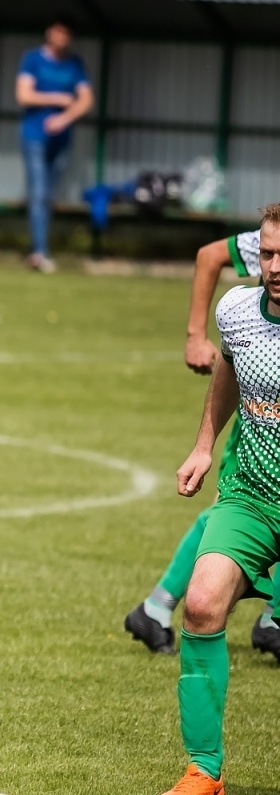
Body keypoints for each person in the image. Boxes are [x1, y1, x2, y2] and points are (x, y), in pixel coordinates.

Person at [153, 202, 280, 795]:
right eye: (269, 254)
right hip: (251, 497)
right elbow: (228, 370)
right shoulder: (236, 310)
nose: (275, 266)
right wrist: (204, 444)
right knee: (201, 605)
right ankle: (203, 773)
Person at [126, 226, 280, 659]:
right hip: (260, 412)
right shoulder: (269, 246)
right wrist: (196, 335)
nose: (274, 264)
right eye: (270, 255)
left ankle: (159, 607)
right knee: (242, 505)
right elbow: (212, 255)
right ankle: (162, 607)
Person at [14, 14, 92, 273]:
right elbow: (24, 94)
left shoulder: (74, 64)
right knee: (38, 193)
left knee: (48, 196)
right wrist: (57, 98)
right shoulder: (33, 59)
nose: (62, 37)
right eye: (59, 31)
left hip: (61, 139)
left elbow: (85, 100)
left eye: (67, 33)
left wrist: (64, 118)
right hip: (34, 135)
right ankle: (39, 252)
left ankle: (40, 249)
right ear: (50, 32)